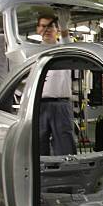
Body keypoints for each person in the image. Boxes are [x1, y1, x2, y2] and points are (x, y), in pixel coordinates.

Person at [36, 12, 76, 156]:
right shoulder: (32, 53)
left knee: (65, 146)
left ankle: (68, 175)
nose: (46, 30)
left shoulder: (63, 49)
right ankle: (41, 176)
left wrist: (64, 29)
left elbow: (68, 45)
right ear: (38, 29)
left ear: (56, 30)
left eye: (50, 26)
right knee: (38, 145)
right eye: (43, 26)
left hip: (61, 105)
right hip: (38, 105)